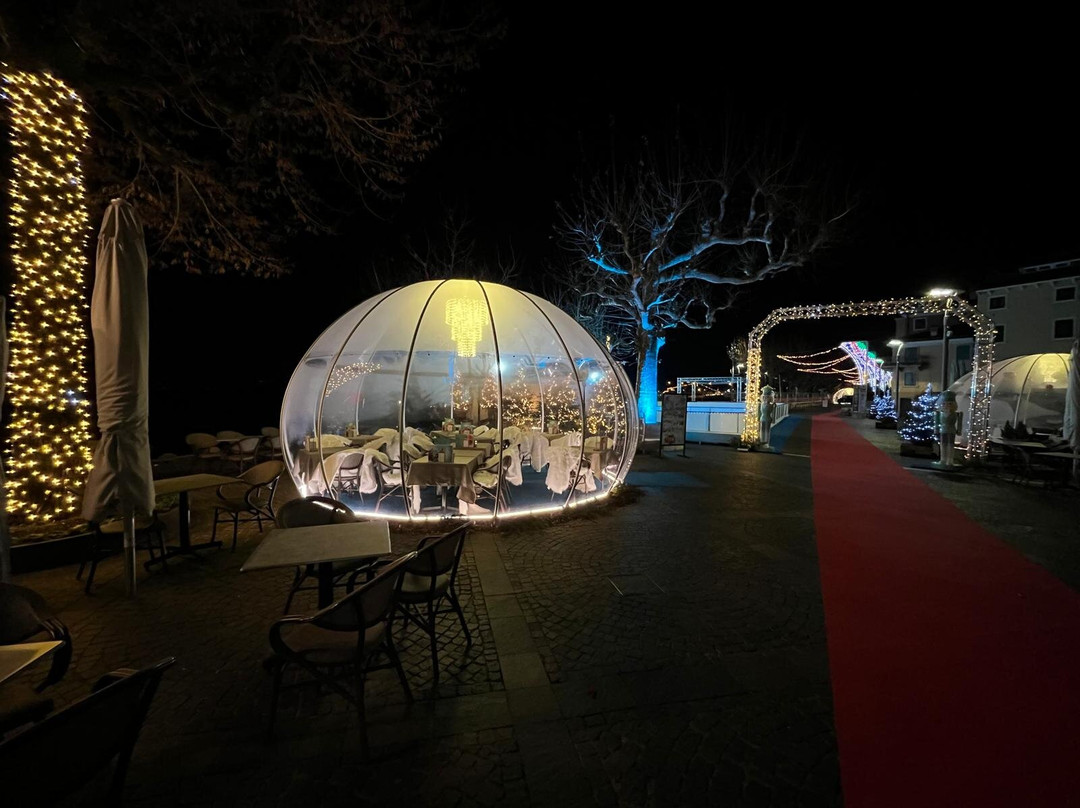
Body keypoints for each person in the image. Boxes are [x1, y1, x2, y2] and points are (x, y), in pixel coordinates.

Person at [933, 390, 962, 467]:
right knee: (943, 444)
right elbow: (937, 422)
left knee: (950, 445)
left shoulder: (955, 414)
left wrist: (959, 430)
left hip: (951, 430)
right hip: (943, 430)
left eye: (949, 404)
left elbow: (959, 423)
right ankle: (943, 459)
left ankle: (950, 460)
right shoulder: (940, 413)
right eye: (944, 403)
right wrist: (936, 429)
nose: (946, 405)